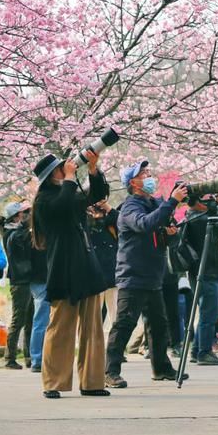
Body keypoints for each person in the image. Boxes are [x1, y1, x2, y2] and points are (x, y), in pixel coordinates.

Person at [30, 150, 110, 399]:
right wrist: (69, 178)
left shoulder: (69, 191)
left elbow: (95, 195)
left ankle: (92, 381)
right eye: (59, 168)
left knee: (93, 328)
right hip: (63, 269)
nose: (64, 169)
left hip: (85, 265)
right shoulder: (43, 201)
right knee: (60, 327)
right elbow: (62, 207)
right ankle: (53, 382)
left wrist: (93, 169)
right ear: (51, 175)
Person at [104, 159, 189, 389]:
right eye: (144, 174)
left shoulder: (153, 204)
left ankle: (161, 368)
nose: (149, 176)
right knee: (124, 324)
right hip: (133, 275)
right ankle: (110, 371)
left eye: (148, 172)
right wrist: (172, 201)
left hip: (152, 275)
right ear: (133, 182)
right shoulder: (131, 207)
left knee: (158, 325)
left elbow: (160, 233)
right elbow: (144, 225)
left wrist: (170, 233)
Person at [183, 192, 218, 365]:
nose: (211, 201)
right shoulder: (201, 220)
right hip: (207, 272)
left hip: (199, 272)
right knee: (209, 315)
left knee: (205, 313)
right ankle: (204, 352)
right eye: (208, 199)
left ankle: (197, 350)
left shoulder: (191, 217)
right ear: (198, 202)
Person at [2, 201, 34, 369]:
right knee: (18, 319)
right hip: (20, 281)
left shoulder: (19, 232)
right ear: (15, 217)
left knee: (30, 320)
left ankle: (29, 356)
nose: (27, 215)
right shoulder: (11, 234)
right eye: (24, 213)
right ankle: (10, 357)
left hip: (27, 279)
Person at [87, 198, 120, 335]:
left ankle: (116, 342)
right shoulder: (87, 224)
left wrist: (106, 206)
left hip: (112, 273)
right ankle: (93, 342)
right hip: (95, 275)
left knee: (116, 313)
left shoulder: (110, 224)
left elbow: (120, 218)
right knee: (94, 313)